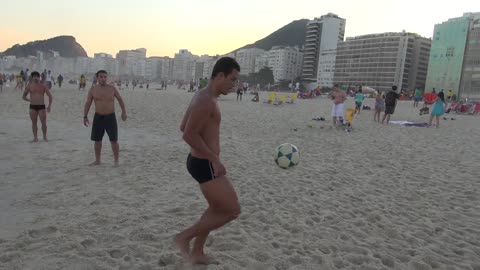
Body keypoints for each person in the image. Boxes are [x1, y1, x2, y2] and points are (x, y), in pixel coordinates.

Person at [176, 57, 241, 265]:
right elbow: (187, 134)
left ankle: (197, 253)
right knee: (232, 210)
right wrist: (214, 159)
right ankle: (184, 237)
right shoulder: (206, 100)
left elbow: (183, 126)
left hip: (200, 161)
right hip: (205, 164)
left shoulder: (203, 95)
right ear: (220, 75)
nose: (234, 85)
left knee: (216, 208)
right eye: (232, 80)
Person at [83, 70, 127, 167]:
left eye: (105, 77)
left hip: (110, 117)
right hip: (98, 117)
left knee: (114, 140)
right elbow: (88, 103)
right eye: (101, 77)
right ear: (97, 78)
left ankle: (116, 161)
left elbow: (120, 100)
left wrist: (124, 112)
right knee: (97, 140)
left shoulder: (112, 88)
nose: (103, 79)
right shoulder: (93, 89)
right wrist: (85, 116)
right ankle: (98, 160)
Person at [22, 71, 53, 142]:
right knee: (34, 122)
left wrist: (49, 106)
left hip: (41, 106)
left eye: (37, 77)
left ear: (39, 78)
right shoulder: (29, 86)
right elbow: (23, 96)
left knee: (43, 122)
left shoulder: (43, 86)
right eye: (34, 76)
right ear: (32, 77)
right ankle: (35, 138)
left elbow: (50, 96)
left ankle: (44, 137)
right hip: (32, 107)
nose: (36, 78)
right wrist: (29, 100)